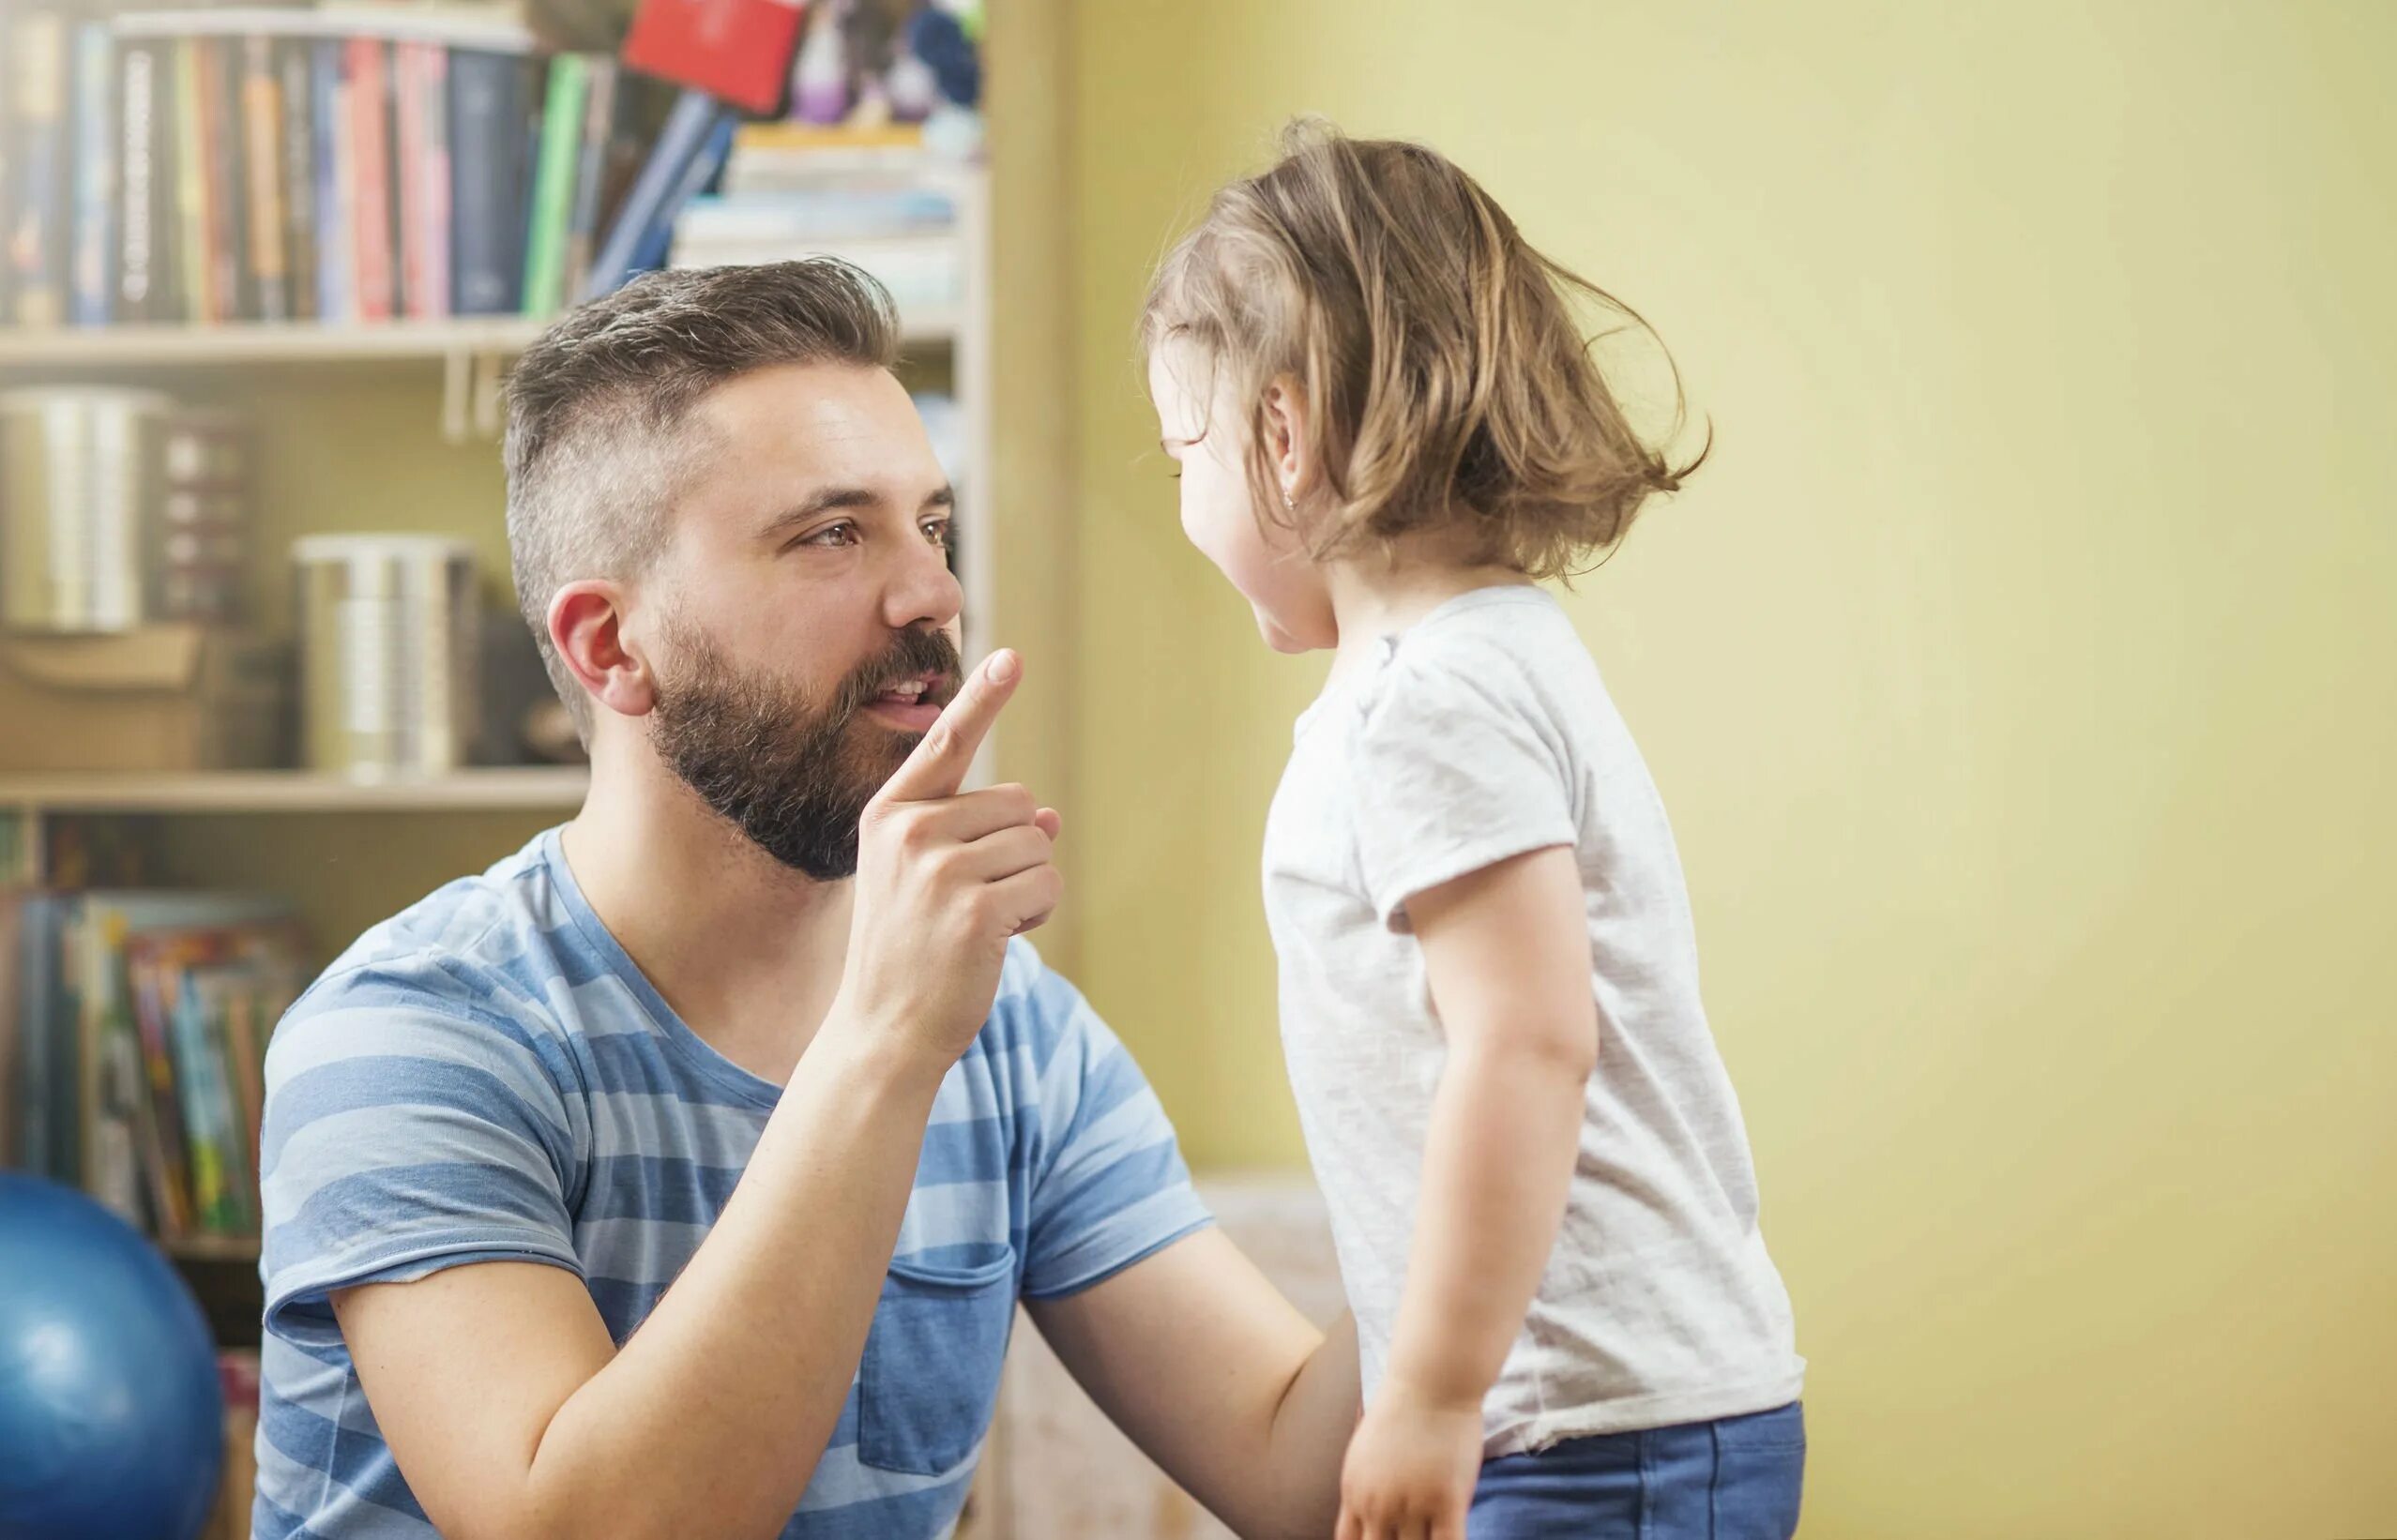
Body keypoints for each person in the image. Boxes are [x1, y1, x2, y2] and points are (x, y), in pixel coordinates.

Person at [253, 259, 1359, 1540]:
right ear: (612, 645)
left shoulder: (1009, 1031)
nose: (932, 593)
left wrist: (1497, 1144)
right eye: (833, 534)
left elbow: (1300, 1473)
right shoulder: (409, 1033)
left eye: (931, 525)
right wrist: (885, 1043)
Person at [1142, 122, 1807, 1540]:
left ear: (1281, 433)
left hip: (1579, 1430)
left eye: (1180, 453)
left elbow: (1527, 1037)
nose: (1183, 501)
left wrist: (1436, 1395)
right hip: (1595, 1419)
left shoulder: (1427, 700)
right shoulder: (1485, 657)